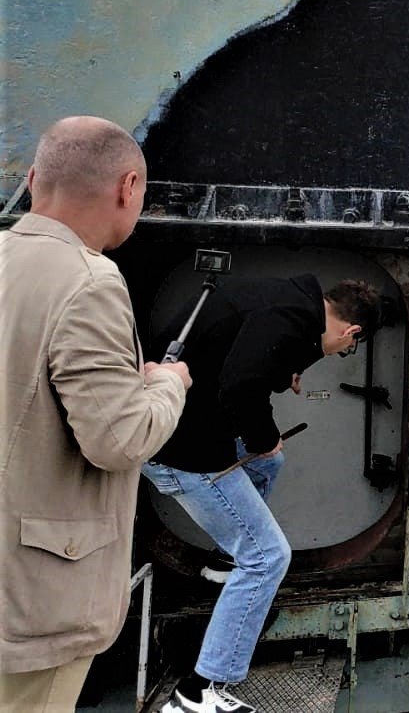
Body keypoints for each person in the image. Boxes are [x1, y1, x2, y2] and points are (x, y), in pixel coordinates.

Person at [0, 117, 192, 712]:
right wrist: (167, 385)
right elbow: (120, 439)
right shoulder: (90, 283)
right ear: (128, 187)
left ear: (34, 179)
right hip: (32, 607)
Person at [143, 275, 380, 713]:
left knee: (269, 463)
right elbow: (239, 384)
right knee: (268, 557)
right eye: (348, 347)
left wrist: (285, 374)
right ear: (352, 331)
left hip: (172, 427)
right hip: (181, 451)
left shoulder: (286, 299)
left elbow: (245, 347)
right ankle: (197, 693)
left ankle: (224, 562)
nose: (341, 352)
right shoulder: (289, 321)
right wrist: (263, 437)